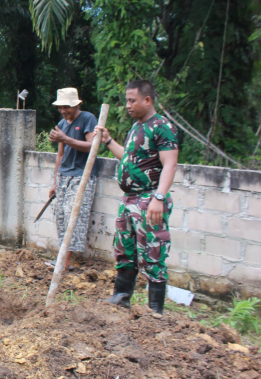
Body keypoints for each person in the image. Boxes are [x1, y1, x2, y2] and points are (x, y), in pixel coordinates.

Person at [96, 80, 179, 315]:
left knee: (153, 254)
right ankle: (121, 297)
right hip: (130, 200)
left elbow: (170, 164)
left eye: (132, 100)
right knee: (125, 251)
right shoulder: (136, 127)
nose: (127, 105)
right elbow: (129, 158)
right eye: (126, 101)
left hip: (149, 200)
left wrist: (158, 198)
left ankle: (155, 311)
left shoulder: (162, 126)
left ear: (148, 100)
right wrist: (109, 141)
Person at [47, 88, 98, 272]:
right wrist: (55, 182)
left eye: (66, 106)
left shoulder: (88, 119)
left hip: (82, 175)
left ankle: (64, 261)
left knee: (71, 214)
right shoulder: (62, 123)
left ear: (76, 104)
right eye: (60, 107)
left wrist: (65, 138)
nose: (63, 110)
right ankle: (62, 258)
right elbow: (60, 155)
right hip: (64, 176)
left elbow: (93, 146)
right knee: (60, 216)